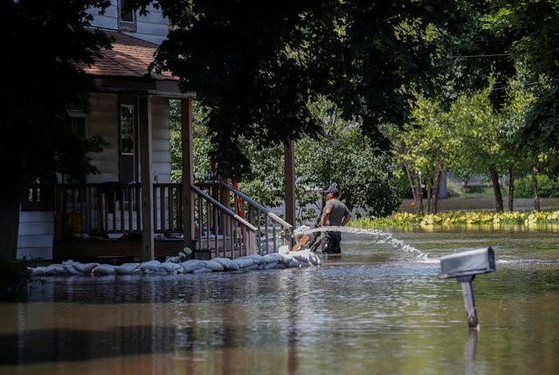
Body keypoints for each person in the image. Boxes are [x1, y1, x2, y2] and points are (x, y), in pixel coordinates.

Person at [319, 185, 352, 254]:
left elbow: (327, 212)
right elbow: (349, 215)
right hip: (337, 235)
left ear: (331, 194)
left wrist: (324, 223)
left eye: (327, 193)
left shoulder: (330, 202)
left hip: (328, 235)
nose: (326, 195)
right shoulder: (342, 204)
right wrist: (342, 225)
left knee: (326, 255)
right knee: (336, 255)